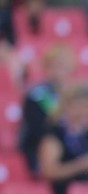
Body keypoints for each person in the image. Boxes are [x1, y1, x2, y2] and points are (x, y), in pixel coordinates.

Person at [19, 44, 75, 175]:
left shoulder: (72, 94)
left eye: (64, 67)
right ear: (46, 68)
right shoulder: (38, 93)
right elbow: (39, 129)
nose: (60, 71)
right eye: (55, 65)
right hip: (39, 150)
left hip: (67, 150)